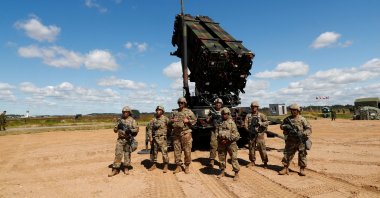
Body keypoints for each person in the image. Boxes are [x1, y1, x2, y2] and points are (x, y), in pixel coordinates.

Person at [279, 103, 312, 176]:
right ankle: (285, 168)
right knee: (287, 154)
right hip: (290, 140)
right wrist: (285, 127)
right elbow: (281, 126)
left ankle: (302, 169)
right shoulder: (287, 119)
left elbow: (309, 129)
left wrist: (303, 133)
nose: (293, 111)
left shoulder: (302, 119)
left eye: (295, 110)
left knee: (302, 155)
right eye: (292, 110)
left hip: (300, 141)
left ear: (298, 111)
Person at [108, 106, 139, 177]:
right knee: (118, 154)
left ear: (129, 113)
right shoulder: (120, 120)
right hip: (120, 140)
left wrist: (130, 130)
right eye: (124, 112)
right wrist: (118, 126)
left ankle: (126, 168)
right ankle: (115, 169)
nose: (125, 113)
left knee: (127, 154)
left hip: (128, 140)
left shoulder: (132, 120)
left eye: (126, 112)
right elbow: (115, 130)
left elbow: (136, 129)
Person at [170, 97, 197, 174]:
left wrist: (188, 121)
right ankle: (178, 166)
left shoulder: (189, 112)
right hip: (176, 134)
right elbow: (169, 122)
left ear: (185, 103)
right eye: (179, 103)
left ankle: (187, 166)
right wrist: (172, 120)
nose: (180, 104)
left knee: (187, 151)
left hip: (186, 134)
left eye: (182, 103)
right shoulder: (174, 112)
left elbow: (195, 120)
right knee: (177, 151)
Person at [216, 107, 240, 181]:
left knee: (233, 158)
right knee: (221, 158)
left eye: (226, 114)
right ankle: (222, 171)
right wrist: (220, 139)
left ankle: (236, 173)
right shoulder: (220, 123)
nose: (224, 115)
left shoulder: (232, 123)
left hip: (230, 144)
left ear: (228, 114)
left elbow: (235, 134)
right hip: (221, 143)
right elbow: (216, 132)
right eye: (223, 114)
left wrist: (227, 140)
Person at [244, 101, 269, 168]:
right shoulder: (248, 115)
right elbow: (245, 124)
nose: (253, 108)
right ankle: (252, 161)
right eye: (252, 107)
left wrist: (261, 123)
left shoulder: (261, 115)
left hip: (259, 135)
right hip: (251, 135)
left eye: (255, 107)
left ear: (257, 107)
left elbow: (267, 122)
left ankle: (265, 162)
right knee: (251, 148)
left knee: (262, 149)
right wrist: (248, 130)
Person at [147, 106, 170, 173]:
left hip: (163, 138)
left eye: (159, 110)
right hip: (155, 138)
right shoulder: (153, 120)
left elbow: (170, 127)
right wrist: (150, 137)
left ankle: (165, 165)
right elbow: (150, 129)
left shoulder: (166, 119)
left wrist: (167, 136)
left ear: (162, 111)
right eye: (157, 110)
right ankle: (154, 164)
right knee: (154, 152)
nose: (158, 111)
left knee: (164, 152)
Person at [206, 98, 223, 168]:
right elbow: (207, 120)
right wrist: (211, 117)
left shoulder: (224, 111)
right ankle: (212, 160)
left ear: (221, 104)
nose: (218, 104)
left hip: (223, 131)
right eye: (216, 103)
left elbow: (229, 119)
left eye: (219, 103)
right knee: (213, 145)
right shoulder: (211, 111)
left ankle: (221, 161)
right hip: (214, 130)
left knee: (222, 146)